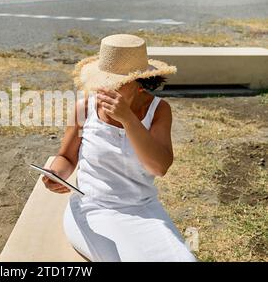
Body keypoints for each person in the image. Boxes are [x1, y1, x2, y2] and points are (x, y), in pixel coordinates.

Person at [42, 34, 196, 262]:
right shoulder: (85, 107)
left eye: (116, 82)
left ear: (140, 84)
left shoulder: (159, 111)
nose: (105, 88)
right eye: (103, 80)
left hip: (143, 209)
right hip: (92, 207)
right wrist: (56, 174)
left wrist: (128, 120)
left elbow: (159, 167)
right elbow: (66, 156)